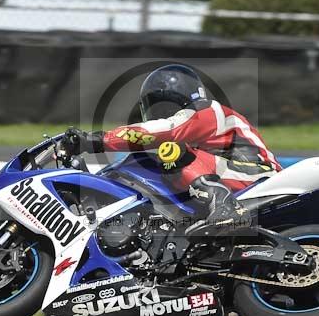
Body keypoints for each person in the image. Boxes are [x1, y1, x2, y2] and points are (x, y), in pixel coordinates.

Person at [64, 64, 281, 234]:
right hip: (235, 176)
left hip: (257, 176)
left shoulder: (207, 110)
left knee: (171, 151)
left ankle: (226, 207)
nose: (160, 112)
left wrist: (96, 141)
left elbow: (166, 130)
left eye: (161, 105)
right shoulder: (199, 127)